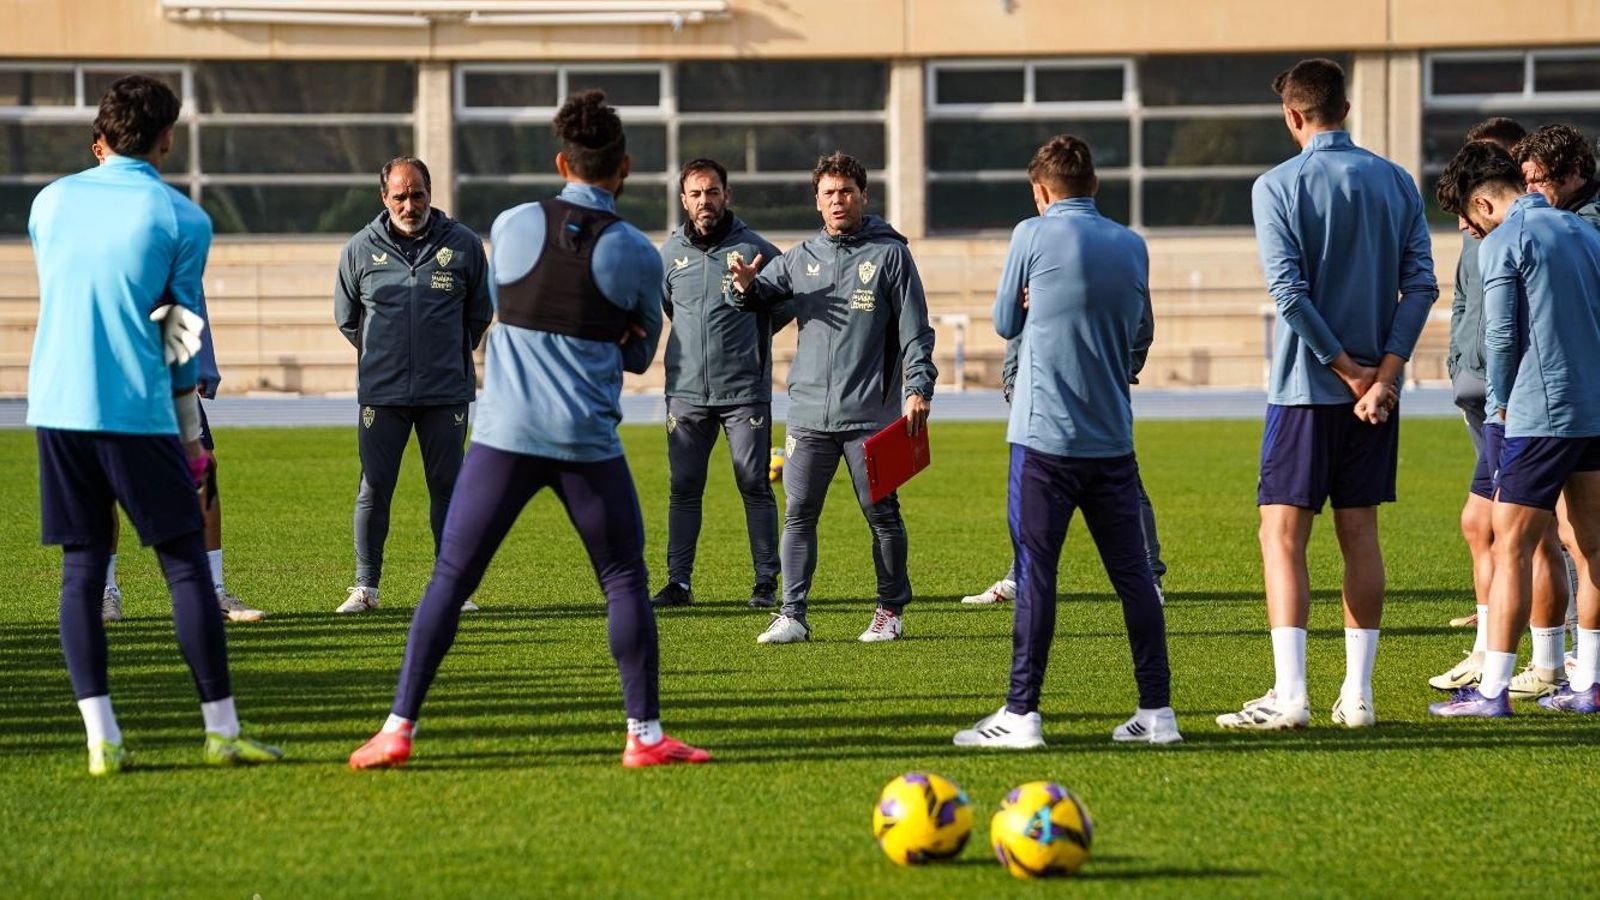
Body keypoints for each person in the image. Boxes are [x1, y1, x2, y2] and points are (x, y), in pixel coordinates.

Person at [349, 91, 710, 769]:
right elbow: (637, 355)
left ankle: (397, 728)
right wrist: (615, 332)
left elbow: (497, 307)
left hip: (504, 435)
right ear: (624, 167)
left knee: (450, 578)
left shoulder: (511, 224)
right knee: (625, 580)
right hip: (585, 442)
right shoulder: (636, 252)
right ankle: (645, 737)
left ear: (560, 160)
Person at [27, 74, 280, 775]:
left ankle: (101, 739)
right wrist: (192, 438)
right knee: (184, 567)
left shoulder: (49, 203)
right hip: (136, 413)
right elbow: (180, 333)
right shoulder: (182, 220)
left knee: (82, 570)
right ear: (168, 138)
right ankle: (221, 730)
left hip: (53, 407)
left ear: (103, 134)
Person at [1217, 58, 1437, 731]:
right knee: (1360, 531)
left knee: (1281, 535)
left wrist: (1347, 373)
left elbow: (1290, 295)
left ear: (1293, 116)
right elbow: (1422, 284)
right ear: (1345, 107)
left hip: (1307, 389)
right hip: (1377, 394)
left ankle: (1291, 695)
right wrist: (1385, 376)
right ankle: (1359, 696)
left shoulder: (1277, 184)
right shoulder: (1395, 181)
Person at [952, 135, 1178, 749]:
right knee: (1134, 577)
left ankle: (1022, 714)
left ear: (1041, 191)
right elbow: (1141, 335)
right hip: (1111, 438)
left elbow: (1004, 323)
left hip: (1044, 438)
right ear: (1095, 186)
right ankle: (1157, 711)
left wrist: (1032, 303)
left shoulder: (1032, 233)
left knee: (1036, 575)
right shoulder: (1132, 245)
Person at [727, 152, 938, 644]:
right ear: (816, 201)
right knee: (799, 513)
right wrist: (742, 287)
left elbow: (915, 333)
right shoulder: (800, 258)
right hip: (807, 416)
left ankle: (890, 611)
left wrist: (917, 388)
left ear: (863, 195)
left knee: (882, 515)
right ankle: (792, 614)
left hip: (870, 415)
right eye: (829, 193)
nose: (838, 200)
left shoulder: (891, 256)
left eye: (847, 191)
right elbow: (757, 296)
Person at [1428, 141, 1600, 717]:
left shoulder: (1503, 240)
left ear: (1482, 203)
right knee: (1592, 547)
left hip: (1537, 411)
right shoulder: (1583, 231)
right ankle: (1589, 682)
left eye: (1467, 218)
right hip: (1591, 406)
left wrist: (1499, 409)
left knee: (1511, 548)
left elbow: (1501, 338)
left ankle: (1493, 689)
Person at [88, 134, 264, 624]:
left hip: (167, 371)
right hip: (110, 375)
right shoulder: (82, 210)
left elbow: (185, 294)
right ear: (98, 150)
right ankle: (105, 593)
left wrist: (198, 363)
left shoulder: (169, 213)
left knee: (202, 472)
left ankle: (213, 589)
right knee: (104, 482)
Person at [333, 156, 492, 614]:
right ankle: (366, 588)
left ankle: (451, 588)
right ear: (384, 198)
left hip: (445, 393)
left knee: (448, 487)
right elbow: (347, 319)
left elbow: (479, 313)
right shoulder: (360, 249)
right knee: (374, 488)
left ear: (430, 194)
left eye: (417, 194)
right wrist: (386, 356)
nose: (409, 204)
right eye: (399, 196)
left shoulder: (462, 245)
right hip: (382, 394)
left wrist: (443, 354)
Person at [650, 158, 786, 610]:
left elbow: (782, 305)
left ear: (727, 195)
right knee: (684, 487)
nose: (704, 201)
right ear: (684, 199)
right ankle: (678, 583)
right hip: (686, 393)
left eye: (712, 192)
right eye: (696, 194)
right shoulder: (668, 255)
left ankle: (766, 583)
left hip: (744, 391)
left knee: (754, 484)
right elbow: (670, 309)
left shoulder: (756, 249)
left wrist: (751, 343)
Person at [961, 335, 1168, 606]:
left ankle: (1149, 578)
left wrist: (1116, 375)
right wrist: (1013, 382)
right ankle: (1020, 576)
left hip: (1096, 391)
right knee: (1038, 486)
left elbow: (1140, 324)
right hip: (1041, 393)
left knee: (1125, 483)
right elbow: (1011, 323)